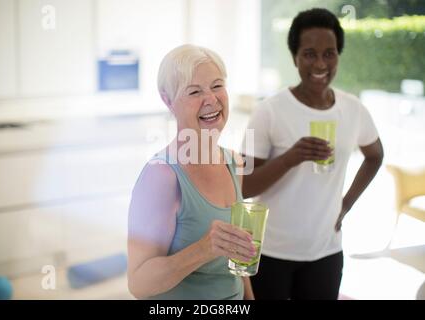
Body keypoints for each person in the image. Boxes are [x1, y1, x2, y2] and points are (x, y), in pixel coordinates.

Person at [241, 8, 384, 299]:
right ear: (295, 57)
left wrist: (346, 205)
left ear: (338, 56)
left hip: (327, 252)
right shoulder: (268, 111)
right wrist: (289, 159)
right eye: (309, 53)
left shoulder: (353, 109)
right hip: (271, 252)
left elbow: (375, 155)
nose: (320, 63)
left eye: (329, 53)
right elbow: (242, 185)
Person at [127, 44, 256, 300]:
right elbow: (139, 284)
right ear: (168, 100)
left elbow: (238, 264)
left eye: (217, 86)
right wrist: (205, 249)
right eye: (195, 91)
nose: (211, 99)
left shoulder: (233, 162)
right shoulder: (161, 176)